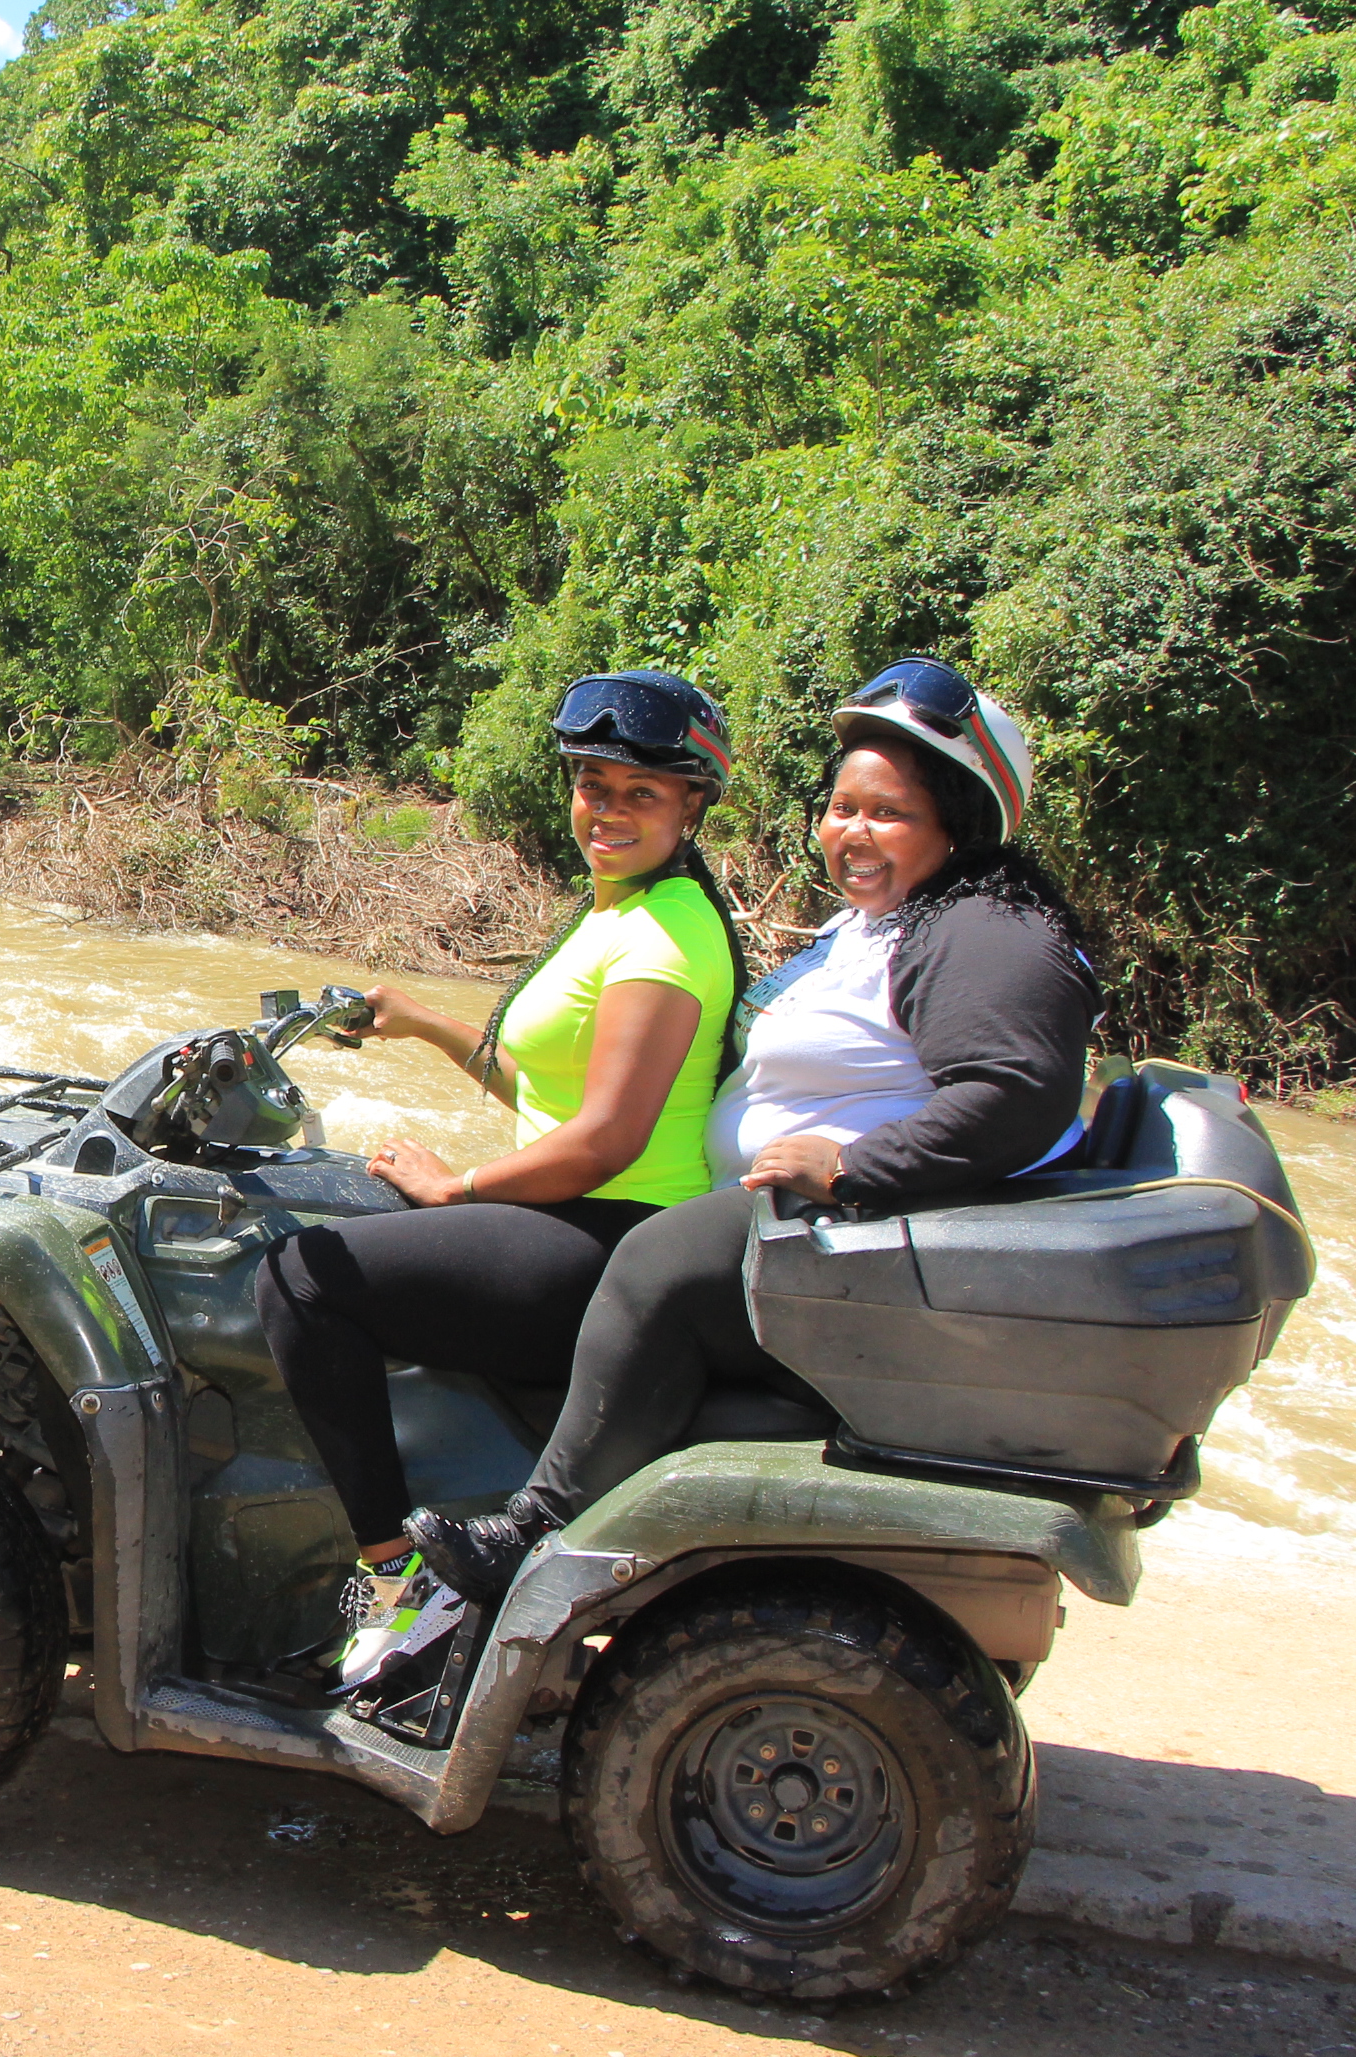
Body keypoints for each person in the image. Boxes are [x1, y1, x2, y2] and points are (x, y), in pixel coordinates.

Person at [405, 656, 1098, 1607]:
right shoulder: (879, 922)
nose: (852, 832)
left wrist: (855, 1164)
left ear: (960, 826)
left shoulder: (985, 926)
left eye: (888, 814)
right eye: (842, 806)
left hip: (850, 1249)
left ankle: (531, 1534)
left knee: (664, 1257)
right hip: (810, 1237)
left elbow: (1020, 1090)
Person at [254, 670, 746, 1689]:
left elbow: (606, 1137)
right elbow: (552, 1095)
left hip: (610, 1237)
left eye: (640, 793)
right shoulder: (622, 910)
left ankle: (394, 1585)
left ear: (692, 804)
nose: (607, 811)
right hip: (583, 1211)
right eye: (593, 784)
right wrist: (429, 1025)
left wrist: (458, 1189)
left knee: (301, 1277)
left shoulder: (664, 936)